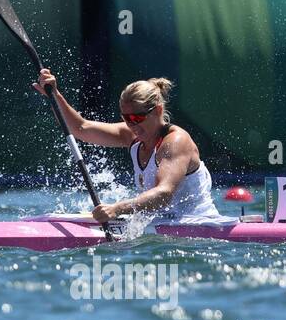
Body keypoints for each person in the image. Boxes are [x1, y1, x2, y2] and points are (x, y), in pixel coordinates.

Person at [33, 69, 226, 225]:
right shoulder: (131, 135)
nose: (131, 125)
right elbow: (80, 128)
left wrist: (116, 209)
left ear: (157, 110)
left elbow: (164, 194)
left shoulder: (176, 142)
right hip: (162, 226)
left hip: (200, 225)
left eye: (137, 118)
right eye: (126, 118)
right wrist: (54, 96)